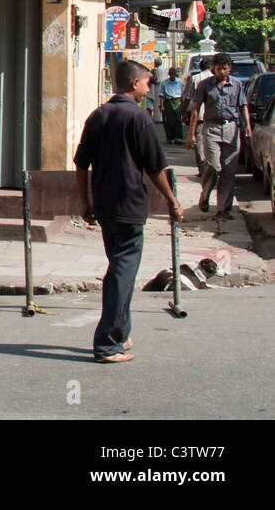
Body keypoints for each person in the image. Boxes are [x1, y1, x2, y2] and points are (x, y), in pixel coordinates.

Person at [75, 60, 183, 364]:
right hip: (129, 207)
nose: (149, 87)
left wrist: (85, 201)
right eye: (147, 82)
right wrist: (172, 201)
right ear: (133, 83)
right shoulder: (139, 118)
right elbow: (155, 168)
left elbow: (81, 163)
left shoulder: (98, 116)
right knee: (122, 273)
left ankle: (120, 332)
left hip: (105, 207)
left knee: (118, 270)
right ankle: (108, 343)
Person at [186, 52, 252, 217]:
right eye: (219, 69)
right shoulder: (205, 85)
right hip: (211, 128)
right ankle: (205, 194)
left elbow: (243, 106)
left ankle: (223, 209)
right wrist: (191, 133)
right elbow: (195, 110)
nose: (222, 72)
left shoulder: (236, 84)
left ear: (229, 69)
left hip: (231, 128)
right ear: (212, 69)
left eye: (225, 68)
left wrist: (247, 127)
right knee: (214, 167)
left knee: (229, 171)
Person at [161, 67, 185, 144]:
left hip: (177, 101)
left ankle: (178, 138)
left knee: (177, 120)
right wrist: (162, 105)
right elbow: (161, 95)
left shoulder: (179, 82)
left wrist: (183, 105)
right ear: (169, 75)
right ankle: (169, 137)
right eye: (171, 75)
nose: (172, 76)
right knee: (169, 121)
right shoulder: (164, 83)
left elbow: (182, 95)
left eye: (174, 75)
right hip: (168, 101)